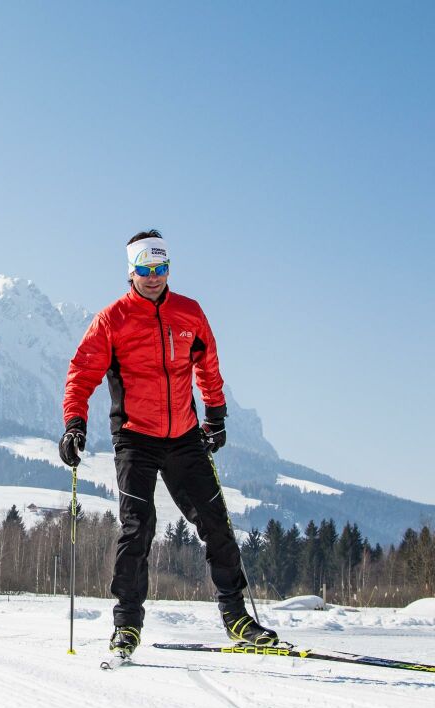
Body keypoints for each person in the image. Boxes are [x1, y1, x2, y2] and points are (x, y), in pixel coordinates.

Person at [59, 229, 277, 657]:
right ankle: (127, 625)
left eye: (161, 268)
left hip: (184, 436)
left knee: (216, 523)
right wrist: (74, 424)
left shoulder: (189, 313)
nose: (154, 276)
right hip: (134, 437)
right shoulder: (112, 320)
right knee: (138, 527)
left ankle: (236, 618)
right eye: (145, 269)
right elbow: (81, 374)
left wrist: (215, 416)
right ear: (131, 272)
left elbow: (208, 365)